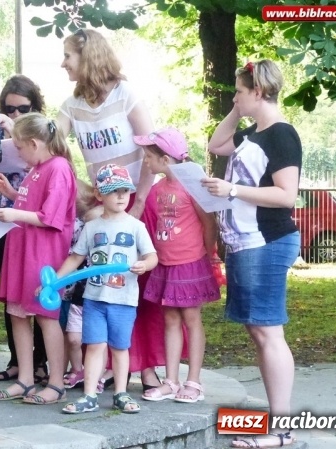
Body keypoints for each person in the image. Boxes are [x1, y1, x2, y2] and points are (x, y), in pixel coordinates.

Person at [56, 28, 164, 391]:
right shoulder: (71, 105)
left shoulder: (126, 95)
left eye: (68, 55)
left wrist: (141, 202)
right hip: (103, 209)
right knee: (107, 288)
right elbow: (54, 146)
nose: (63, 63)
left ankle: (146, 367)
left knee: (139, 287)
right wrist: (82, 189)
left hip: (136, 203)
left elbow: (151, 151)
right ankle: (104, 367)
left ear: (87, 57)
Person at [202, 59, 301, 448]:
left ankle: (282, 429)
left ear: (258, 92)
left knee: (268, 331)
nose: (235, 99)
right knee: (259, 332)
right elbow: (216, 145)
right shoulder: (252, 134)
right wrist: (237, 109)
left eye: (240, 93)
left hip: (267, 242)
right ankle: (278, 423)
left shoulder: (282, 134)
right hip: (246, 244)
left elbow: (286, 195)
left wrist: (233, 190)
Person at [0, 113, 76, 405]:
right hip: (22, 250)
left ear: (35, 144)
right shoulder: (36, 168)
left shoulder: (58, 168)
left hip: (42, 254)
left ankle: (56, 383)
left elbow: (50, 217)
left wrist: (13, 213)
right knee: (17, 312)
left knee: (45, 315)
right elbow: (33, 203)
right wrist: (12, 194)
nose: (18, 153)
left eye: (19, 147)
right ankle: (25, 380)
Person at [59, 164, 158, 415]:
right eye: (114, 191)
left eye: (125, 190)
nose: (121, 196)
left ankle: (120, 394)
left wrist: (144, 265)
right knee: (94, 346)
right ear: (99, 194)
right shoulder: (92, 227)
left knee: (120, 348)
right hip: (94, 299)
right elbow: (76, 257)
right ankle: (89, 395)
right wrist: (54, 281)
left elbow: (152, 256)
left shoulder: (136, 226)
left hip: (124, 300)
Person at [135, 128, 221, 403]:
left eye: (149, 157)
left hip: (189, 263)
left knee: (191, 320)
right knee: (170, 319)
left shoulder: (193, 187)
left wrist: (207, 255)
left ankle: (193, 382)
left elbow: (209, 223)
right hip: (165, 264)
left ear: (166, 159)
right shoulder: (157, 190)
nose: (146, 162)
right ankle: (171, 381)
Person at [0, 75, 48, 385]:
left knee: (39, 291)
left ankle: (41, 362)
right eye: (8, 109)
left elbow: (49, 171)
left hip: (33, 222)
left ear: (35, 107)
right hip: (5, 218)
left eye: (22, 109)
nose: (14, 114)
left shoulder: (44, 134)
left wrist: (16, 132)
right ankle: (17, 360)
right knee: (11, 292)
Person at [61, 179, 99, 390]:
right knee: (72, 336)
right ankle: (77, 369)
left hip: (94, 294)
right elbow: (74, 257)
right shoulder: (77, 225)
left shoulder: (90, 224)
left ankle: (92, 374)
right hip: (76, 292)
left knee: (96, 339)